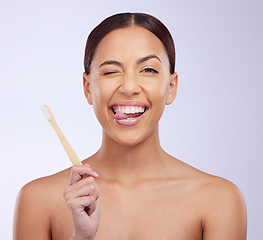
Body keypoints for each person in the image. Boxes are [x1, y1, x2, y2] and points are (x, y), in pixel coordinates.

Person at [13, 12, 247, 240]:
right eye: (111, 71)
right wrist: (81, 237)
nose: (129, 87)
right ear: (87, 88)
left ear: (171, 87)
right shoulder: (38, 201)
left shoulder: (219, 200)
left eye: (148, 70)